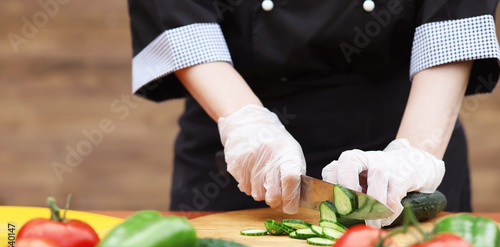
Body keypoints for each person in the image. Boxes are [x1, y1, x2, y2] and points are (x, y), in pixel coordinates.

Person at [127, 0, 500, 227]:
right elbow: (179, 20)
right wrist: (245, 122)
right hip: (238, 161)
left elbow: (454, 19)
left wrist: (415, 152)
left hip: (406, 131)